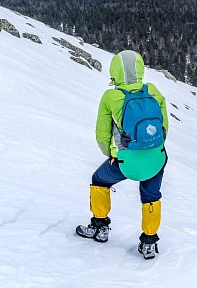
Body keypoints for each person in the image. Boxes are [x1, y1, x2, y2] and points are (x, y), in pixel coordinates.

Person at [75, 50, 169, 260]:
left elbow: (102, 135)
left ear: (115, 70)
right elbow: (164, 127)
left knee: (99, 180)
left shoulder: (111, 96)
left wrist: (112, 154)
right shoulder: (153, 90)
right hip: (157, 157)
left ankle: (99, 226)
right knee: (151, 196)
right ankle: (149, 242)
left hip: (126, 160)